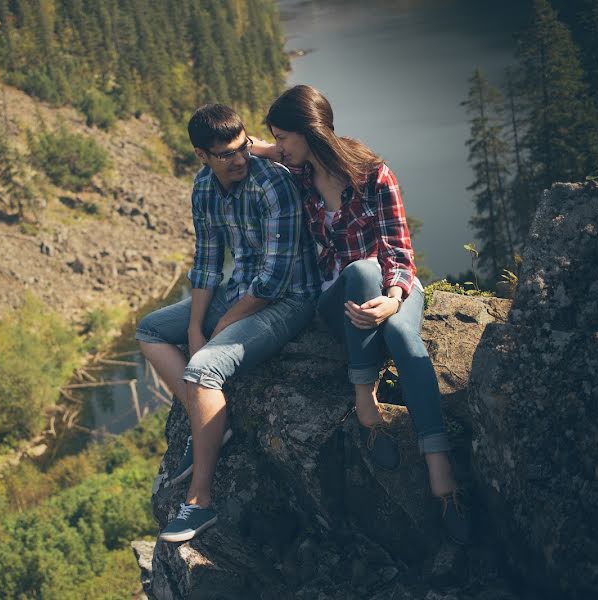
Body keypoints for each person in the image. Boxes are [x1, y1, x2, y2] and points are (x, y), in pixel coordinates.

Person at [251, 85, 470, 544]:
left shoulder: (372, 173)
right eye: (278, 140)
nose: (281, 147)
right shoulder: (298, 175)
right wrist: (276, 146)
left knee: (406, 337)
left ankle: (438, 464)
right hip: (340, 300)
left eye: (285, 138)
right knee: (358, 271)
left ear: (310, 134)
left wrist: (393, 298)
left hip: (392, 286)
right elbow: (251, 150)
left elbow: (397, 247)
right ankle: (367, 409)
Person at [136, 104, 320, 543]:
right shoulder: (203, 187)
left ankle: (200, 503)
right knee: (150, 330)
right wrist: (197, 326)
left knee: (204, 369)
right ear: (203, 156)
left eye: (242, 147)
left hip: (290, 298)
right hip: (239, 290)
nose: (239, 159)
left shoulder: (272, 183)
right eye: (225, 154)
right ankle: (211, 423)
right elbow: (206, 263)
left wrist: (218, 333)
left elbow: (275, 280)